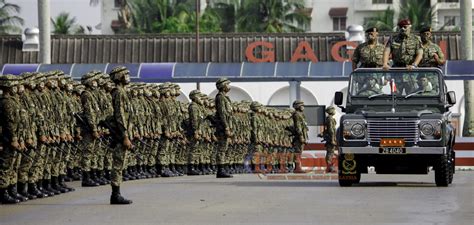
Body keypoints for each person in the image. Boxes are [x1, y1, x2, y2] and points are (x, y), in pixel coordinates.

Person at [108, 66, 133, 204]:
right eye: (125, 75)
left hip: (124, 132)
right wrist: (124, 136)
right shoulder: (118, 92)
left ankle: (117, 193)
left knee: (121, 163)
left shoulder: (123, 91)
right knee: (118, 164)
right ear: (119, 77)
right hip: (120, 133)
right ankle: (115, 194)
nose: (128, 77)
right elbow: (120, 115)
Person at [214, 77, 233, 178]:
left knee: (224, 148)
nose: (229, 86)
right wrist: (226, 127)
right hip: (222, 126)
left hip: (226, 125)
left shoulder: (225, 97)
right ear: (223, 86)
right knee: (222, 148)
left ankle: (223, 168)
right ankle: (220, 170)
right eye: (227, 84)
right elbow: (222, 113)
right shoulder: (220, 97)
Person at [318, 106, 337, 173]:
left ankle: (329, 167)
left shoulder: (328, 119)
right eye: (333, 110)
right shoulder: (330, 119)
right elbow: (331, 130)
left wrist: (322, 134)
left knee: (330, 152)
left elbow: (327, 129)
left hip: (329, 137)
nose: (335, 111)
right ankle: (329, 167)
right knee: (330, 153)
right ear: (331, 111)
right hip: (330, 138)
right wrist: (332, 139)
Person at [291, 100, 308, 173]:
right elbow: (298, 127)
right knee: (298, 152)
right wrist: (301, 137)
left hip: (302, 135)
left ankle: (298, 167)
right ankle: (297, 168)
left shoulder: (301, 114)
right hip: (298, 137)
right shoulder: (296, 114)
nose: (303, 107)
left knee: (300, 152)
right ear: (297, 106)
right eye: (301, 105)